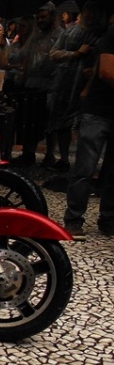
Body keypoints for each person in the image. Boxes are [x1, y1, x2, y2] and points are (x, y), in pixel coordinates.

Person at [63, 21, 114, 236]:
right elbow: (106, 71)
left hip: (102, 111)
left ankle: (109, 219)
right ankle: (74, 218)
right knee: (85, 167)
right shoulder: (112, 34)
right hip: (99, 110)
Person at [46, 1, 103, 170]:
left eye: (95, 11)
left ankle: (84, 163)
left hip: (88, 86)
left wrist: (94, 68)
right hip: (65, 84)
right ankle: (64, 159)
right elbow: (53, 54)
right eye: (89, 10)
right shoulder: (70, 32)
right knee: (62, 123)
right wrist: (75, 54)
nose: (91, 15)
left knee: (86, 125)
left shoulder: (100, 35)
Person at [2, 5, 62, 165]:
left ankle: (50, 154)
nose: (40, 20)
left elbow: (53, 61)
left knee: (49, 122)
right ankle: (28, 152)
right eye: (38, 17)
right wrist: (8, 48)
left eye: (44, 17)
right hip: (31, 84)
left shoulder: (60, 35)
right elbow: (21, 55)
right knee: (31, 119)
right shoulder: (35, 36)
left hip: (50, 86)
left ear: (52, 16)